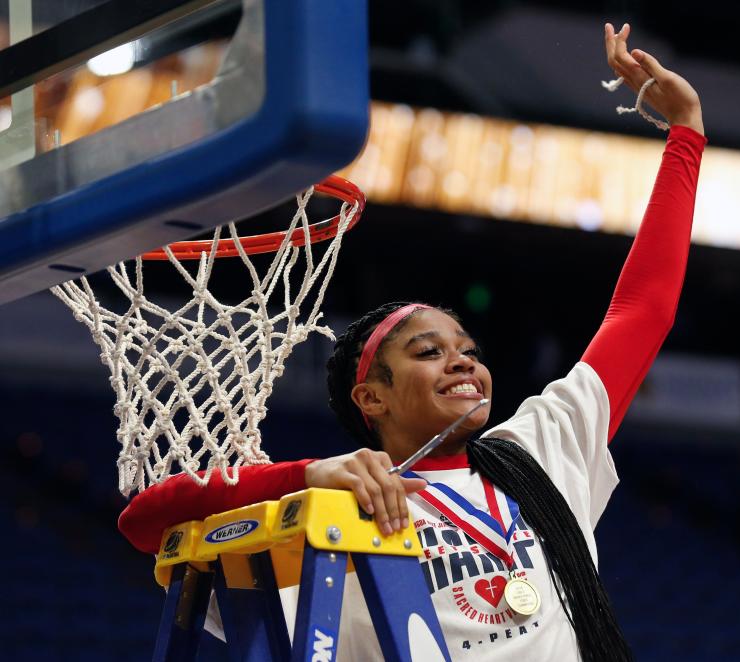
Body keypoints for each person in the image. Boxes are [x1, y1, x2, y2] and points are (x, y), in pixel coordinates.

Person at [118, 23, 707, 662]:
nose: (463, 362)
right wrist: (308, 475)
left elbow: (643, 311)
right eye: (428, 353)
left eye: (469, 352)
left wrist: (686, 132)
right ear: (372, 397)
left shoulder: (540, 447)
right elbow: (145, 523)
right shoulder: (335, 507)